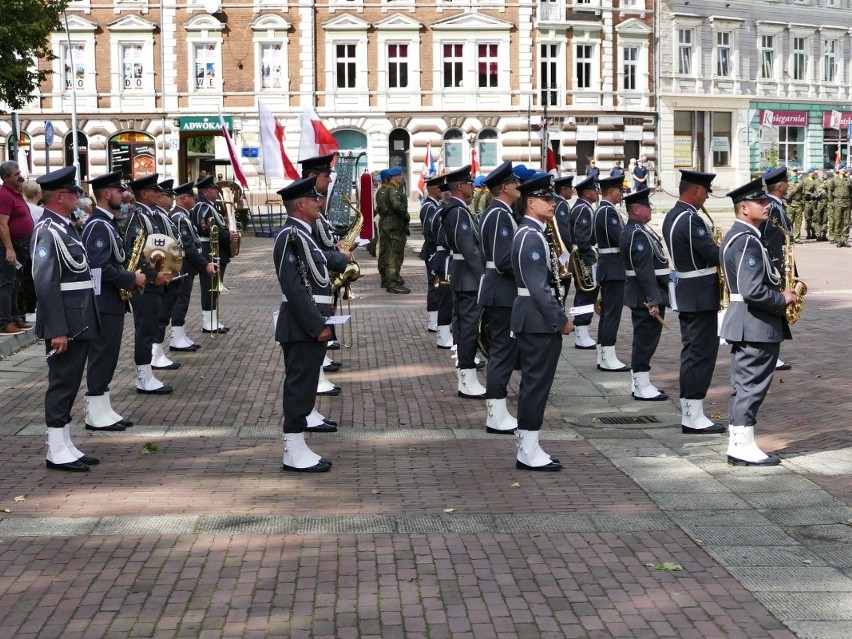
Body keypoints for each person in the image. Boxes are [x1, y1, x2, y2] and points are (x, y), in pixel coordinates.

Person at [720, 177, 798, 466]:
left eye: (766, 200)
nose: (767, 206)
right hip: (754, 323)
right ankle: (742, 447)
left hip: (748, 322)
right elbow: (752, 290)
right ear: (744, 208)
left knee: (745, 386)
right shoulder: (746, 240)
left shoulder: (740, 236)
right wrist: (782, 299)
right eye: (760, 202)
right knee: (752, 386)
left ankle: (740, 443)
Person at [31, 166, 100, 472]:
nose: (78, 197)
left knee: (71, 383)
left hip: (79, 318)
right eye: (74, 192)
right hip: (66, 323)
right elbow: (45, 283)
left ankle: (66, 443)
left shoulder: (65, 226)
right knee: (61, 383)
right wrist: (57, 329)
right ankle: (55, 449)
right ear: (60, 196)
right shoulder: (47, 230)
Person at [511, 174, 573, 471]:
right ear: (531, 201)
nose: (553, 204)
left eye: (552, 199)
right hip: (536, 320)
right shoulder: (531, 236)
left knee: (536, 384)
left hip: (534, 318)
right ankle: (528, 449)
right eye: (546, 199)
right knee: (536, 385)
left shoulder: (535, 232)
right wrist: (560, 320)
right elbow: (538, 288)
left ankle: (529, 445)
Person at [273, 176, 335, 473]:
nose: (319, 203)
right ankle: (292, 452)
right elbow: (294, 287)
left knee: (306, 386)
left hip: (311, 322)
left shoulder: (304, 234)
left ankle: (298, 448)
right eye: (314, 199)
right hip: (301, 325)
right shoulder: (290, 235)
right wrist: (316, 325)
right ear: (300, 204)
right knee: (299, 388)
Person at [661, 170, 726, 433]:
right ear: (696, 190)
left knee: (692, 354)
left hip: (690, 292)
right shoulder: (690, 219)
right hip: (699, 294)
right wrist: (729, 248)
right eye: (706, 191)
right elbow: (711, 254)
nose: (707, 197)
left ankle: (691, 411)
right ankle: (693, 414)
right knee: (701, 355)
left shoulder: (673, 215)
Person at [81, 170, 145, 431]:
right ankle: (94, 414)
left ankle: (103, 408)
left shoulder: (106, 222)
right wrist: (131, 278)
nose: (124, 195)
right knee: (102, 355)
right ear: (106, 194)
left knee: (109, 356)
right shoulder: (98, 224)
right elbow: (98, 267)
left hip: (111, 301)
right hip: (103, 302)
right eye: (119, 191)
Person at [478, 161, 522, 434]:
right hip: (502, 291)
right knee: (502, 354)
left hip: (501, 291)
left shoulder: (499, 212)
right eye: (515, 183)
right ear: (504, 187)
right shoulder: (499, 215)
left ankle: (498, 410)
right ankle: (496, 413)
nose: (519, 186)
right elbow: (504, 259)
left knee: (503, 353)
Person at [126, 173, 174, 394]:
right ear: (144, 194)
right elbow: (134, 254)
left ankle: (146, 374)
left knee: (151, 326)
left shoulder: (150, 215)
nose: (159, 194)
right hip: (146, 284)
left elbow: (158, 246)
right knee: (145, 330)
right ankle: (144, 377)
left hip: (157, 280)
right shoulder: (138, 217)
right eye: (154, 191)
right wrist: (154, 276)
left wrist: (168, 269)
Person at [442, 165, 487, 398]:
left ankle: (466, 377)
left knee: (464, 327)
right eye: (469, 183)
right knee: (468, 329)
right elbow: (468, 248)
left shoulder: (459, 210)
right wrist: (483, 275)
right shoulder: (458, 212)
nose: (473, 187)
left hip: (464, 275)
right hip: (468, 277)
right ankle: (467, 377)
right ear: (460, 186)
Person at [620, 190, 670, 401]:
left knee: (644, 339)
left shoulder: (638, 230)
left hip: (644, 293)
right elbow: (644, 269)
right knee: (645, 341)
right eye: (648, 206)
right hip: (645, 295)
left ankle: (640, 383)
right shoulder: (637, 233)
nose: (651, 209)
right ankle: (641, 385)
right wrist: (653, 299)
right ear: (637, 210)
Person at [169, 180, 214, 352]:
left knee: (184, 299)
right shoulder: (179, 218)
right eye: (191, 196)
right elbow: (187, 246)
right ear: (182, 198)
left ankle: (180, 334)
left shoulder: (184, 215)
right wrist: (204, 264)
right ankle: (176, 336)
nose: (194, 199)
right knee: (181, 300)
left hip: (187, 265)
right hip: (183, 264)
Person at [593, 175, 630, 371]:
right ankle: (608, 356)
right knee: (612, 314)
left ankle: (603, 354)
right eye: (620, 190)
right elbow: (620, 239)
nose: (621, 194)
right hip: (614, 267)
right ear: (612, 191)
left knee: (608, 313)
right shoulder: (608, 212)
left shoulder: (603, 210)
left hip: (610, 266)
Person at [761, 167, 796, 372]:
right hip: (775, 264)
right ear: (781, 186)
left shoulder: (774, 205)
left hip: (777, 262)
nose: (788, 185)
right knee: (774, 307)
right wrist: (779, 268)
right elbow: (771, 240)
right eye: (787, 182)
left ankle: (773, 355)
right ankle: (770, 356)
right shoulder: (772, 207)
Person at [194, 175, 236, 333]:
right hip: (209, 250)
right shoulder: (203, 207)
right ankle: (208, 322)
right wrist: (227, 236)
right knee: (209, 287)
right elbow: (206, 228)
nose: (216, 190)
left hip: (215, 249)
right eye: (213, 188)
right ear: (205, 192)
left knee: (214, 288)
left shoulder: (210, 206)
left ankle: (213, 320)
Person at [0, 161, 33, 335]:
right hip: (11, 246)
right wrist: (9, 249)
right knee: (7, 283)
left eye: (19, 172)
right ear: (5, 178)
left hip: (21, 246)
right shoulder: (4, 195)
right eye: (16, 174)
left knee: (15, 283)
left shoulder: (15, 193)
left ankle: (14, 318)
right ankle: (4, 323)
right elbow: (2, 224)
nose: (20, 175)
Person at [566, 175, 599, 350]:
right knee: (586, 295)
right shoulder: (583, 210)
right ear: (587, 193)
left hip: (582, 257)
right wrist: (593, 261)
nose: (597, 193)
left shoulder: (582, 207)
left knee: (585, 295)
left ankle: (582, 332)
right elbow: (583, 239)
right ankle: (581, 333)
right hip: (584, 259)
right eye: (595, 190)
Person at [428, 177, 454, 349]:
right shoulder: (444, 212)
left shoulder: (441, 210)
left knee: (445, 298)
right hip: (444, 258)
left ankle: (444, 334)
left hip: (441, 257)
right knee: (446, 299)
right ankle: (444, 337)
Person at [381, 166, 411, 294]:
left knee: (394, 255)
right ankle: (392, 283)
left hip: (394, 226)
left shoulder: (392, 189)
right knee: (394, 256)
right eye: (399, 175)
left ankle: (393, 279)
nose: (401, 177)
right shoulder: (392, 191)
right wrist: (406, 215)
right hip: (394, 227)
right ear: (394, 177)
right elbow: (397, 206)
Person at [419, 175, 442, 332]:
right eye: (441, 188)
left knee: (439, 285)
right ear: (435, 190)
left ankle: (437, 319)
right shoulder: (429, 207)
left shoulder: (433, 205)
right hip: (432, 252)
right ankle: (433, 321)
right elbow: (429, 232)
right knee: (435, 285)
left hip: (433, 252)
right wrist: (435, 253)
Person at [827, 163, 850, 247]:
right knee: (838, 221)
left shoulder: (848, 180)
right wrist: (831, 201)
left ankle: (845, 239)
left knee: (846, 222)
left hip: (847, 202)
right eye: (843, 168)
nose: (845, 169)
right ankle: (838, 239)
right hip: (838, 202)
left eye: (845, 168)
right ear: (839, 170)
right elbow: (830, 190)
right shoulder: (834, 180)